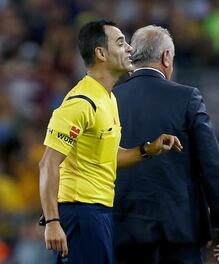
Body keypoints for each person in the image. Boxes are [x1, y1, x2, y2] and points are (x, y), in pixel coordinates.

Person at [39, 20, 182, 264]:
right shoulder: (81, 102)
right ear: (100, 53)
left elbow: (109, 155)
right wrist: (52, 221)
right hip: (80, 212)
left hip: (99, 212)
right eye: (120, 42)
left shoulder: (108, 98)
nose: (129, 48)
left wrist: (149, 149)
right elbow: (47, 164)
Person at [112, 25, 219, 264]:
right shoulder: (187, 97)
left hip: (122, 229)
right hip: (178, 231)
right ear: (167, 57)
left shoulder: (110, 98)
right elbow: (212, 164)